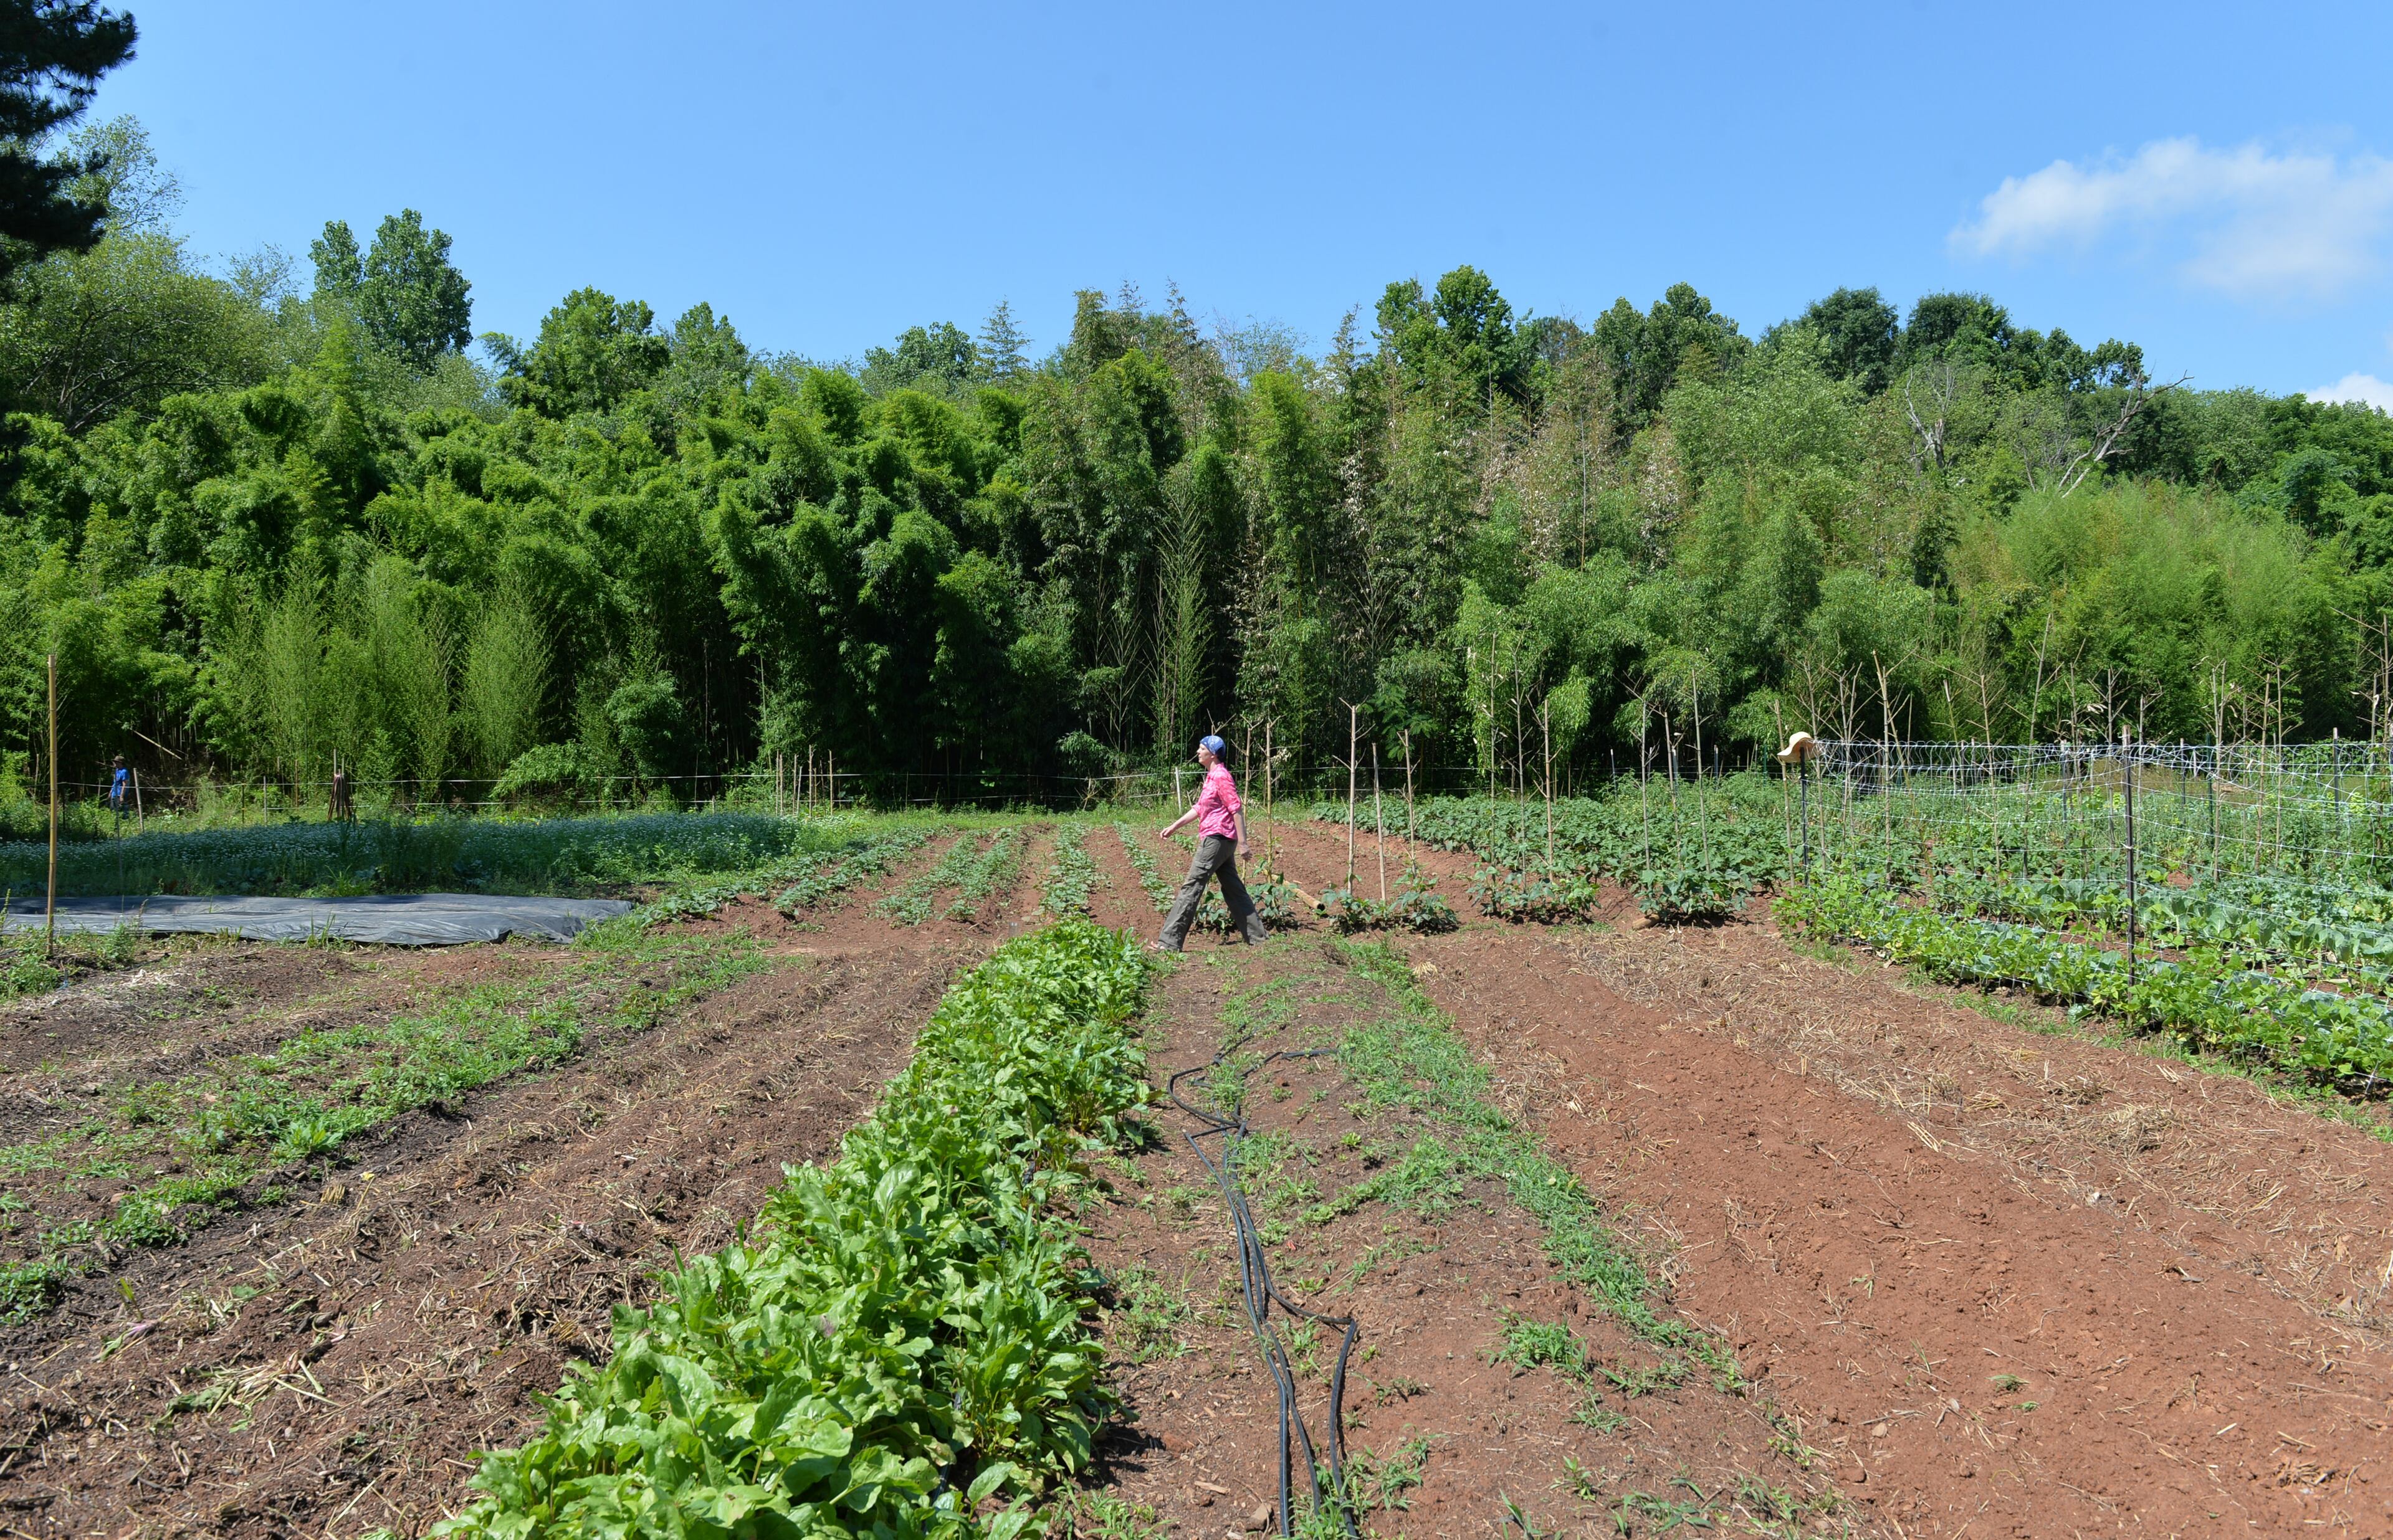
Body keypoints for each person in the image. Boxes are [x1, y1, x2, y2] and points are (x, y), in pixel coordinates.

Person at [1156, 735, 1267, 951]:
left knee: (1192, 887)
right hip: (1221, 840)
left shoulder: (1221, 777)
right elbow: (1199, 808)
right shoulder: (1211, 777)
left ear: (1213, 754)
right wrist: (1174, 826)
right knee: (1234, 889)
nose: (1198, 751)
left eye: (1202, 748)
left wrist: (1244, 843)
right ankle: (1258, 938)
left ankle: (1169, 942)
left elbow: (1236, 808)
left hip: (1217, 839)